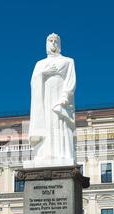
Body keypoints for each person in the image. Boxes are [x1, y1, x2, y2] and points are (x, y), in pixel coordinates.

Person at [25, 33, 77, 168]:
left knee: (60, 123)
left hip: (60, 97)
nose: (53, 43)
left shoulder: (68, 61)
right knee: (47, 123)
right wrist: (43, 73)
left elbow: (71, 80)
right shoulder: (40, 64)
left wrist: (65, 96)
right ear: (46, 44)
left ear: (59, 44)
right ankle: (45, 154)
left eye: (55, 41)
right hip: (45, 98)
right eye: (50, 41)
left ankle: (62, 154)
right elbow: (33, 81)